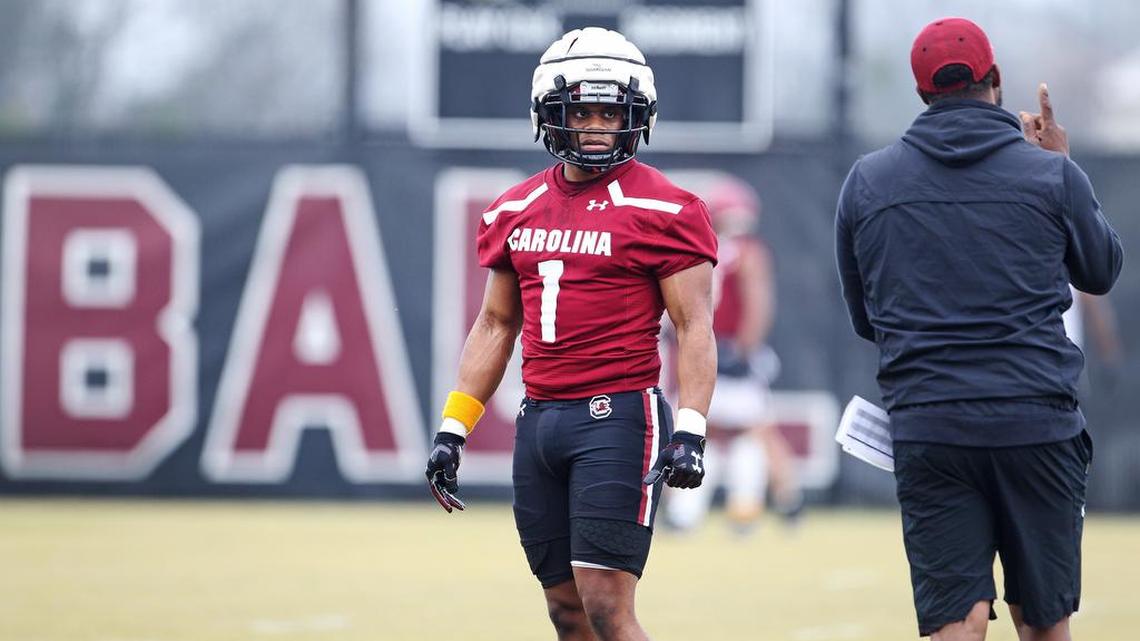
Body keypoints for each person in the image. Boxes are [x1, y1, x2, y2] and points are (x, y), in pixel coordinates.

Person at [424, 27, 718, 641]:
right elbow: (496, 323)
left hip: (619, 416)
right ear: (548, 114)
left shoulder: (668, 209)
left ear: (636, 116)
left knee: (606, 603)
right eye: (581, 112)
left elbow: (694, 326)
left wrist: (691, 429)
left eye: (610, 112)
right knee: (566, 611)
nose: (596, 127)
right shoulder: (514, 208)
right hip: (539, 420)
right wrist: (454, 428)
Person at [835, 17, 1123, 641]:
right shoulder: (1051, 174)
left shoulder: (867, 180)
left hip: (929, 424)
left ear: (922, 93)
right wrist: (1063, 165)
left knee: (956, 624)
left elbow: (866, 319)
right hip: (1036, 425)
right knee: (1044, 622)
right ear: (996, 79)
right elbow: (1100, 272)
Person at [664, 176, 801, 533]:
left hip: (699, 351)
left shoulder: (698, 249)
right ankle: (787, 501)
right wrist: (745, 349)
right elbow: (758, 305)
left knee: (690, 429)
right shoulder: (749, 253)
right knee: (757, 430)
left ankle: (679, 511)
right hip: (728, 353)